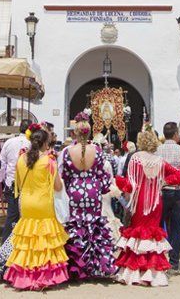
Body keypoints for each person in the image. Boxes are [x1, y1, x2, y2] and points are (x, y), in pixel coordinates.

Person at [114, 127, 180, 286]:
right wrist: (165, 181)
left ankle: (134, 271)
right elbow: (178, 175)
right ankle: (151, 271)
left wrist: (118, 182)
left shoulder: (135, 159)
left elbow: (129, 185)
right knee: (152, 234)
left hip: (139, 201)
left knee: (137, 233)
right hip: (155, 201)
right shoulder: (159, 162)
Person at [4, 126, 70, 290]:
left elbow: (18, 183)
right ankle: (44, 275)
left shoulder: (21, 159)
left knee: (28, 240)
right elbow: (57, 186)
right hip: (43, 203)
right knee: (44, 240)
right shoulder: (49, 161)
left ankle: (25, 275)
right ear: (45, 143)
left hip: (26, 203)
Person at [61, 115, 116, 281]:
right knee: (94, 225)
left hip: (75, 191)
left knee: (76, 225)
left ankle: (77, 264)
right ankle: (95, 264)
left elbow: (65, 175)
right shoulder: (97, 151)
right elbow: (102, 174)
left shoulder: (68, 151)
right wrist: (103, 188)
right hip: (93, 191)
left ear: (76, 133)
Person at [155, 122, 180, 273]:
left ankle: (157, 259)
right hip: (177, 192)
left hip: (161, 192)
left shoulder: (157, 151)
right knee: (175, 228)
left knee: (157, 226)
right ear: (175, 134)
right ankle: (174, 262)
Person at [0, 118, 31, 243]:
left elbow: (2, 163)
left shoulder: (9, 142)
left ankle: (7, 243)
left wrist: (1, 178)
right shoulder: (32, 143)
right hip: (27, 184)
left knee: (12, 216)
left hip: (11, 183)